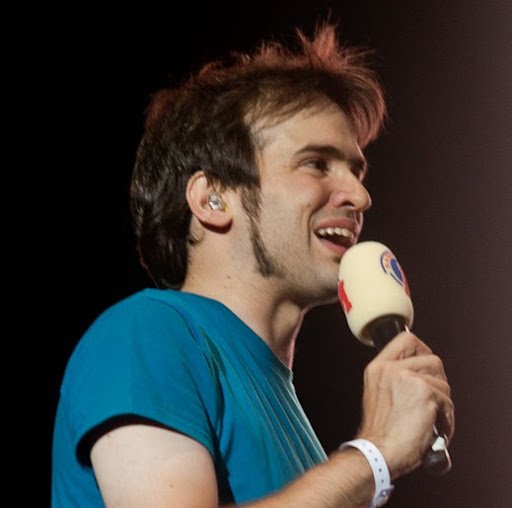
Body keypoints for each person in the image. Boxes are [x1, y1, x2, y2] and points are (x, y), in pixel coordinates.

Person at [52, 22, 454, 507]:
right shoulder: (145, 333)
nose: (359, 195)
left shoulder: (302, 436)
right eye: (316, 163)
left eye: (356, 170)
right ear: (213, 199)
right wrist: (374, 456)